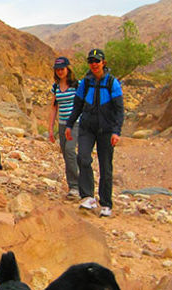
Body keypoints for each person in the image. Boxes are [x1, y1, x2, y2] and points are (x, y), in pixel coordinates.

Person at [65, 48, 124, 217]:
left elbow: (119, 110)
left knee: (105, 166)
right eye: (91, 61)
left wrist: (116, 131)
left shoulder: (112, 83)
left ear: (103, 62)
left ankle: (106, 204)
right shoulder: (85, 83)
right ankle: (88, 197)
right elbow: (77, 106)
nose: (94, 64)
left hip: (106, 130)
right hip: (87, 128)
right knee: (83, 158)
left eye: (97, 61)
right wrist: (69, 125)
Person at [48, 56, 80, 199]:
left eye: (62, 69)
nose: (60, 71)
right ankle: (73, 185)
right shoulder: (55, 87)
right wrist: (50, 128)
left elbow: (83, 103)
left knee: (70, 150)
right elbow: (54, 108)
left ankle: (76, 187)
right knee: (66, 155)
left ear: (68, 69)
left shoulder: (77, 85)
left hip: (75, 123)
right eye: (57, 69)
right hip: (62, 124)